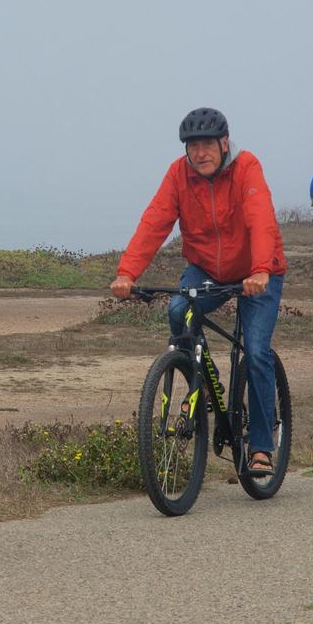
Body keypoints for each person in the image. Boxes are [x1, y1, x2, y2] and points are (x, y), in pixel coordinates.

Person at [109, 107, 288, 476]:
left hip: (258, 271)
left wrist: (259, 270)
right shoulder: (179, 174)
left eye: (207, 144)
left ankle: (260, 448)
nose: (200, 153)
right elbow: (155, 220)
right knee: (178, 311)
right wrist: (127, 273)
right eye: (193, 146)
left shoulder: (246, 168)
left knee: (255, 353)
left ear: (224, 143)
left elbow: (260, 219)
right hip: (206, 268)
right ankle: (199, 378)